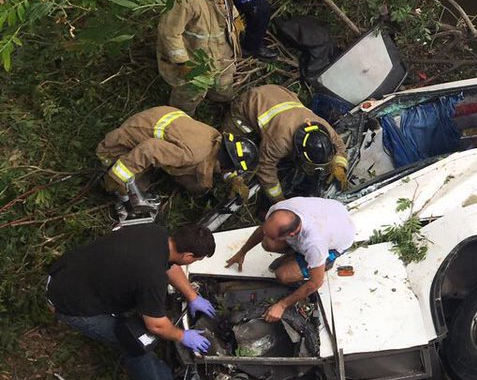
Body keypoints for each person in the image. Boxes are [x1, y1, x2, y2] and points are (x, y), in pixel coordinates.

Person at [47, 223, 216, 380]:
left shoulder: (155, 233)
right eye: (196, 260)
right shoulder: (152, 276)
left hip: (66, 273)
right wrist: (183, 336)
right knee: (135, 343)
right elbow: (156, 326)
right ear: (188, 255)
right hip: (70, 302)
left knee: (138, 313)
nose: (194, 262)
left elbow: (170, 266)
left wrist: (192, 296)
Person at [97, 106, 258, 213]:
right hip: (121, 144)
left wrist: (234, 179)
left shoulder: (215, 138)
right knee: (134, 189)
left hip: (150, 121)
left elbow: (218, 164)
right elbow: (149, 149)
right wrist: (118, 177)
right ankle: (113, 180)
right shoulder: (190, 154)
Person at [225, 197, 355, 323]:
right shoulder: (279, 210)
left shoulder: (314, 243)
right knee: (268, 243)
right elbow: (262, 232)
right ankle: (296, 255)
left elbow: (315, 283)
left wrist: (281, 305)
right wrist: (242, 252)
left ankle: (323, 262)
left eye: (276, 236)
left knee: (283, 275)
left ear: (291, 235)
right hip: (333, 210)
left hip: (337, 241)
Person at [228, 84, 349, 202]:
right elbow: (265, 168)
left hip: (278, 92)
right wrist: (278, 199)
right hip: (248, 103)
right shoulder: (279, 142)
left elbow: (338, 143)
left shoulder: (322, 127)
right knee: (232, 147)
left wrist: (339, 165)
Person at [157, 0, 246, 114]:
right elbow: (169, 33)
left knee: (224, 87)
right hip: (194, 61)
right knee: (189, 94)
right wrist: (183, 63)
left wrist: (239, 29)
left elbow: (231, 18)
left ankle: (220, 102)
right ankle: (180, 118)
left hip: (223, 58)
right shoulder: (188, 0)